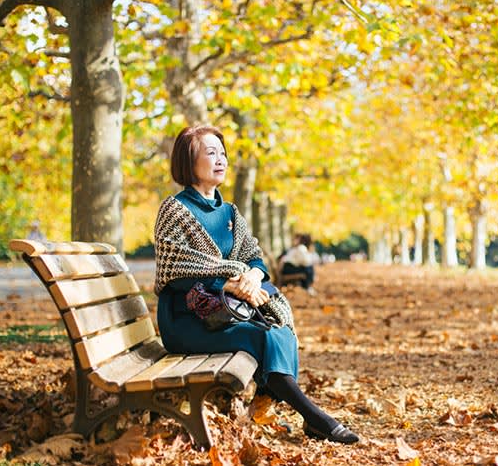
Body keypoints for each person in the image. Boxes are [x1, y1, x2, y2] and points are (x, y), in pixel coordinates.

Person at [154, 125, 359, 444]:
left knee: (279, 328)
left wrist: (252, 277)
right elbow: (177, 271)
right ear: (188, 160)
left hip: (231, 310)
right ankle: (314, 416)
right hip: (188, 319)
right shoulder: (174, 209)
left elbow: (255, 258)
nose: (220, 159)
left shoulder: (230, 212)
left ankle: (265, 406)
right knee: (263, 338)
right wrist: (231, 282)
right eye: (210, 153)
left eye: (223, 153)